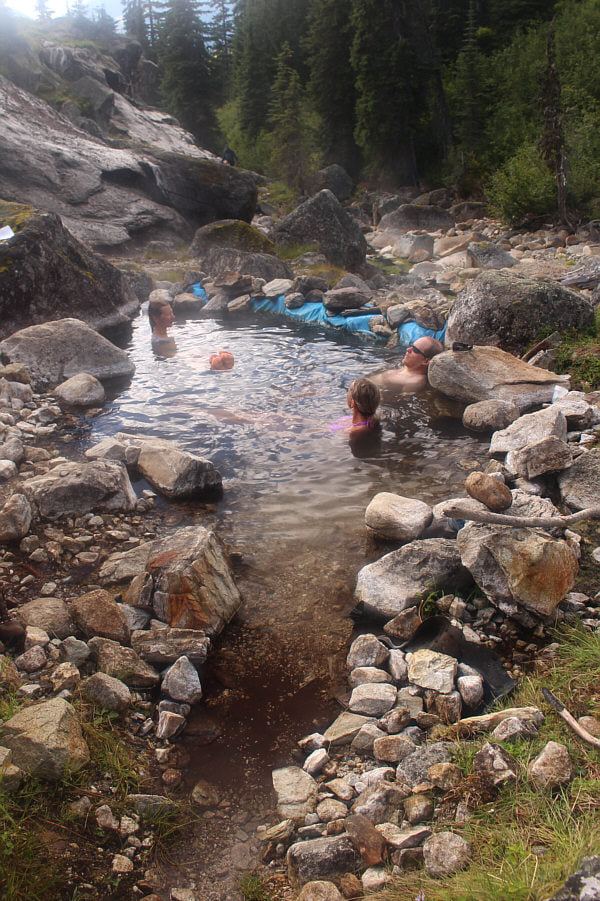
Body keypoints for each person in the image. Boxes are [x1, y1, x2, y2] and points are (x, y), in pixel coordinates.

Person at [370, 336, 444, 393]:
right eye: (412, 346)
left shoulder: (415, 382)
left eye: (415, 350)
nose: (408, 349)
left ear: (425, 361)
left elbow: (400, 402)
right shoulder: (405, 367)